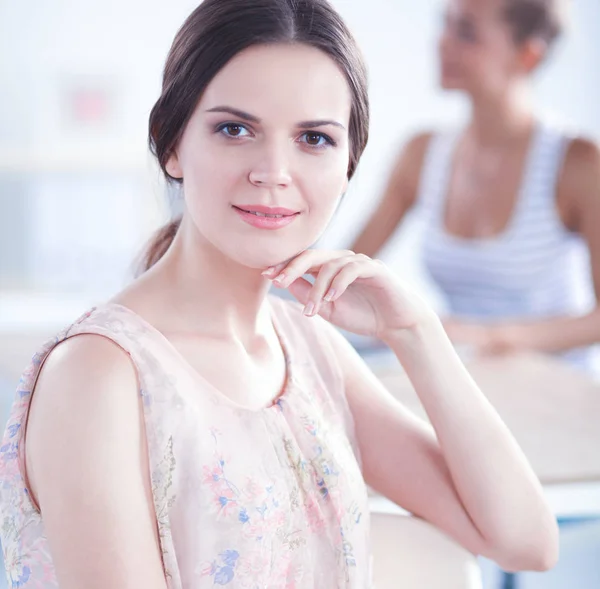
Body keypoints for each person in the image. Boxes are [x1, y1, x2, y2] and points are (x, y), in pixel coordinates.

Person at [0, 1, 558, 587]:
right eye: (234, 129)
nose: (273, 171)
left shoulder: (308, 348)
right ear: (171, 143)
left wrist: (415, 331)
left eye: (314, 138)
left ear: (348, 166)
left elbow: (524, 541)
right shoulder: (98, 374)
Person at [352, 0, 600, 364]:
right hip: (465, 375)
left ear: (528, 55)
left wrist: (486, 337)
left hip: (555, 387)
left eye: (466, 32)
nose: (443, 42)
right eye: (446, 25)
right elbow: (350, 268)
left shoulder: (578, 163)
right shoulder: (420, 154)